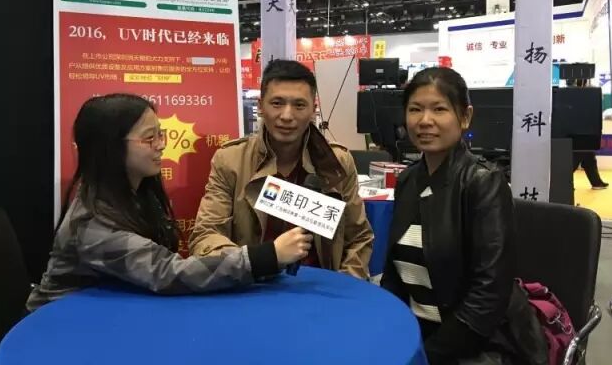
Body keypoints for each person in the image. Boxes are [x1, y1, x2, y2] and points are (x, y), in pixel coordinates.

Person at [26, 94, 311, 312]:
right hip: (68, 324)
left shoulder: (138, 194)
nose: (162, 144)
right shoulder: (92, 222)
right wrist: (265, 256)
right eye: (150, 138)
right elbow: (172, 268)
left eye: (300, 105)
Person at [380, 68, 547, 365]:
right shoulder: (407, 181)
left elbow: (488, 297)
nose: (425, 120)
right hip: (419, 332)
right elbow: (394, 274)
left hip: (477, 341)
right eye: (415, 109)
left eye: (439, 109)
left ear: (465, 116)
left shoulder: (483, 183)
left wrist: (426, 356)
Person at [190, 59, 373, 279]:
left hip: (320, 287)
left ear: (313, 110)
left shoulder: (336, 162)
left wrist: (342, 285)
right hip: (252, 284)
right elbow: (206, 235)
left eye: (299, 105)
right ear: (260, 106)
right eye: (277, 103)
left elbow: (359, 238)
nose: (287, 116)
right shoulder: (231, 161)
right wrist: (261, 259)